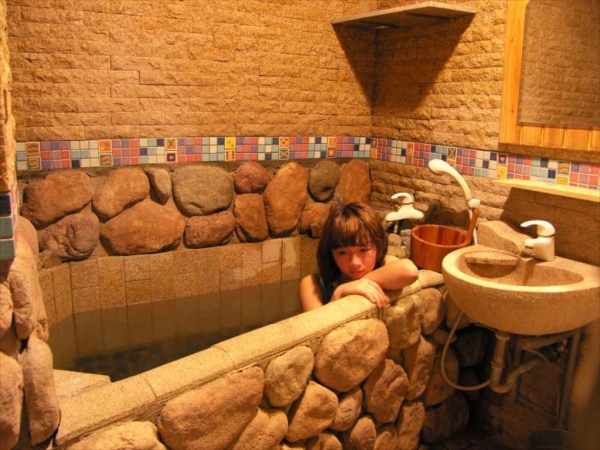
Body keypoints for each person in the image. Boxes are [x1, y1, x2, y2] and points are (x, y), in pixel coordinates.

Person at [300, 201, 419, 312]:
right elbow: (318, 326)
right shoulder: (312, 284)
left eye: (363, 250)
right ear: (330, 252)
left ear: (378, 246)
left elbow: (409, 271)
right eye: (342, 253)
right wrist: (339, 293)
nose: (355, 262)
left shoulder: (383, 263)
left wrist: (359, 282)